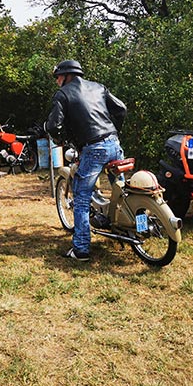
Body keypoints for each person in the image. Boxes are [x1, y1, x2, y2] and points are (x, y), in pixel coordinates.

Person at [45, 60, 127, 262]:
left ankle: (81, 249)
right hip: (114, 144)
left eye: (57, 77)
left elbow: (54, 125)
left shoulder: (63, 94)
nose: (56, 81)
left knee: (81, 198)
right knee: (121, 189)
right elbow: (121, 109)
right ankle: (125, 229)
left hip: (93, 148)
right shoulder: (98, 87)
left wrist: (61, 138)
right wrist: (113, 130)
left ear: (65, 76)